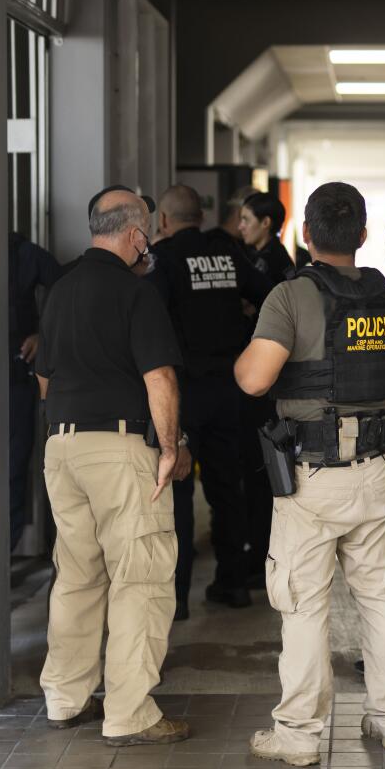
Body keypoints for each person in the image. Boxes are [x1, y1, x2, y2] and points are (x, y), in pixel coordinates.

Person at [234, 182, 385, 766]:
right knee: (379, 597)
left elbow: (253, 379)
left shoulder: (290, 297)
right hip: (376, 468)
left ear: (306, 234)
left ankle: (299, 736)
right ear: (365, 237)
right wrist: (365, 390)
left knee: (303, 605)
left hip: (313, 476)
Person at [34, 185, 189, 745]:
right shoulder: (136, 292)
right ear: (135, 235)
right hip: (120, 452)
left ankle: (64, 697)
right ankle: (129, 713)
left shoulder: (61, 290)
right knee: (140, 577)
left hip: (62, 447)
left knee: (76, 576)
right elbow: (160, 378)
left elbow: (45, 379)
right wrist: (170, 448)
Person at [147, 185, 273, 619]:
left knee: (179, 492)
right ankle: (234, 583)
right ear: (201, 215)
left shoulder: (163, 260)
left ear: (164, 219)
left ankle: (177, 598)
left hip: (184, 390)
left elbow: (155, 320)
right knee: (226, 486)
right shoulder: (229, 253)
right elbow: (269, 295)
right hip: (229, 388)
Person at [236, 191, 293, 584]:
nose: (240, 226)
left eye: (246, 219)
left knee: (261, 474)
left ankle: (260, 555)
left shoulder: (275, 266)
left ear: (266, 224)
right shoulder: (253, 260)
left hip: (266, 386)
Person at [8, 232, 65, 553]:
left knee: (13, 466)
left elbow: (67, 289)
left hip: (15, 374)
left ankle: (5, 553)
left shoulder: (23, 254)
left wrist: (42, 334)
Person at [239, 191, 295, 285]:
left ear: (265, 222)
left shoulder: (272, 262)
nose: (240, 227)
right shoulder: (265, 254)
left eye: (246, 220)